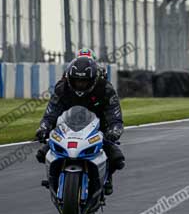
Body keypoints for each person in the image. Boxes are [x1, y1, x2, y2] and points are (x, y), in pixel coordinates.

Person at [34, 55, 125, 195]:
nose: (80, 84)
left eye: (84, 81)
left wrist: (114, 130)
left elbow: (114, 115)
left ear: (93, 80)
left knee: (117, 158)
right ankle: (54, 177)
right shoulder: (62, 88)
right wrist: (44, 127)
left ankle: (107, 178)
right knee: (42, 153)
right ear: (70, 79)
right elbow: (51, 111)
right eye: (77, 81)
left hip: (98, 128)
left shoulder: (105, 89)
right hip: (67, 126)